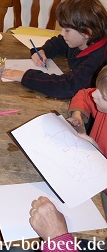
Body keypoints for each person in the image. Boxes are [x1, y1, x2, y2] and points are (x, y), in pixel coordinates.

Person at [2, 0, 107, 100]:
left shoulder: (96, 60)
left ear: (87, 33)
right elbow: (59, 42)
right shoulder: (81, 39)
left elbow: (68, 88)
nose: (62, 33)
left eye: (67, 30)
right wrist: (44, 51)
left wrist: (25, 76)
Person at [67, 64, 107, 216]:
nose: (94, 94)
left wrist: (95, 152)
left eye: (103, 97)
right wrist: (78, 114)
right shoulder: (102, 104)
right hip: (89, 177)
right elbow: (84, 95)